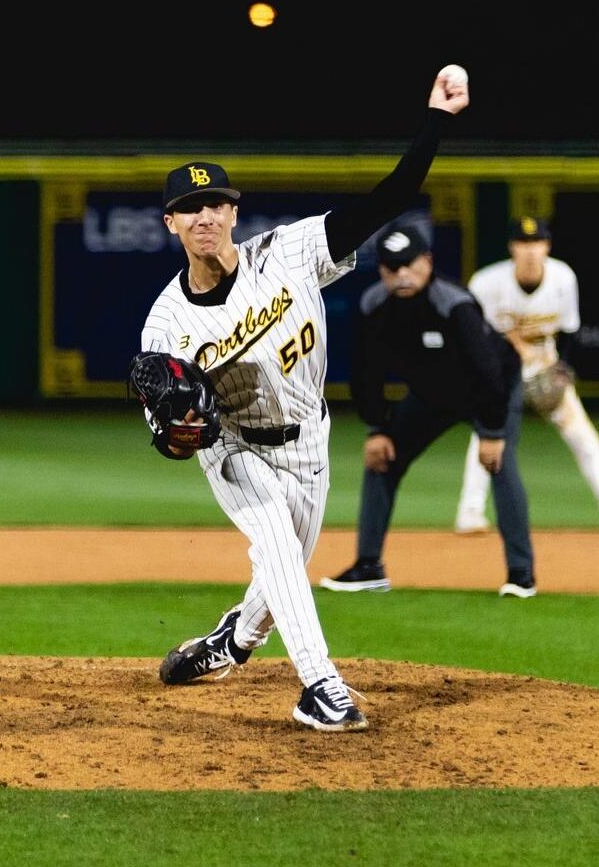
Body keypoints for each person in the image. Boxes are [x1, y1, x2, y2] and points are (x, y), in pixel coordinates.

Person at [136, 65, 470, 733]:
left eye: (218, 203)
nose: (207, 215)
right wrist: (181, 432)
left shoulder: (290, 251)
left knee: (280, 578)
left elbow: (392, 196)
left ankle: (229, 645)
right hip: (235, 449)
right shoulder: (165, 326)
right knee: (280, 555)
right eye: (191, 208)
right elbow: (169, 434)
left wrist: (436, 119)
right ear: (171, 222)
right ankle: (321, 687)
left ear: (233, 212)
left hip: (310, 439)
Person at [318, 222, 539, 598]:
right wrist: (378, 428)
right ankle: (368, 566)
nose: (402, 274)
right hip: (431, 395)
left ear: (427, 261)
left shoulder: (454, 303)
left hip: (488, 387)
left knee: (499, 463)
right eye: (392, 267)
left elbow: (488, 371)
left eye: (409, 264)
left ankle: (521, 576)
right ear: (382, 269)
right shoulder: (375, 305)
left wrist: (492, 434)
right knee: (380, 460)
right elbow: (366, 373)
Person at [454, 217, 599, 537]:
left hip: (544, 363)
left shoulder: (562, 277)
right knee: (487, 437)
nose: (530, 251)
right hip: (499, 372)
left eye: (537, 243)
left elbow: (569, 329)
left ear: (547, 246)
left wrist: (560, 369)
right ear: (512, 248)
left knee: (582, 435)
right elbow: (473, 337)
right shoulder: (486, 283)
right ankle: (469, 513)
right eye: (524, 244)